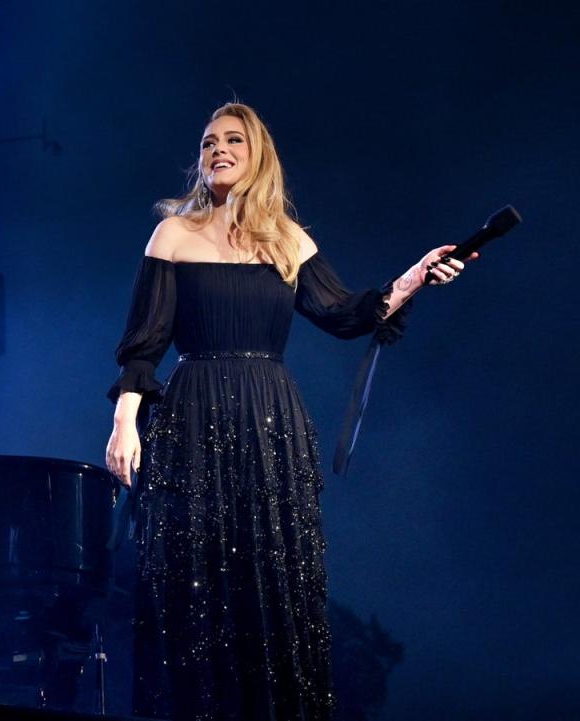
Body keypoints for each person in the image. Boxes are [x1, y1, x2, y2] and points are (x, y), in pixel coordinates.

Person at [105, 103, 476, 721]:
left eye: (233, 140)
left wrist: (414, 277)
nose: (217, 150)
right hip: (192, 416)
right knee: (189, 583)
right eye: (207, 142)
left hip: (267, 419)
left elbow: (346, 314)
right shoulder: (171, 234)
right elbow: (143, 344)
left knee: (271, 582)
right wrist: (123, 424)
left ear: (258, 156)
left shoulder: (287, 239)